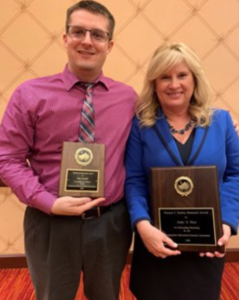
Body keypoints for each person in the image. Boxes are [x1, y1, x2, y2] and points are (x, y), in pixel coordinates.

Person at [0, 1, 137, 300]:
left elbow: (160, 130)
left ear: (109, 45)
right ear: (65, 38)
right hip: (49, 221)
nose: (87, 41)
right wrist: (48, 202)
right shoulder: (30, 94)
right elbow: (7, 159)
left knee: (107, 296)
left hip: (110, 222)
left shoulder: (128, 98)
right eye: (78, 31)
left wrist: (213, 123)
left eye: (97, 35)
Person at [125, 42, 239, 300]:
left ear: (195, 79)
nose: (173, 84)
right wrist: (142, 226)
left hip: (206, 244)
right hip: (157, 241)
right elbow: (134, 181)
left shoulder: (221, 121)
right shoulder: (141, 125)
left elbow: (236, 174)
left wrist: (228, 223)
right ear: (154, 83)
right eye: (165, 77)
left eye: (182, 75)